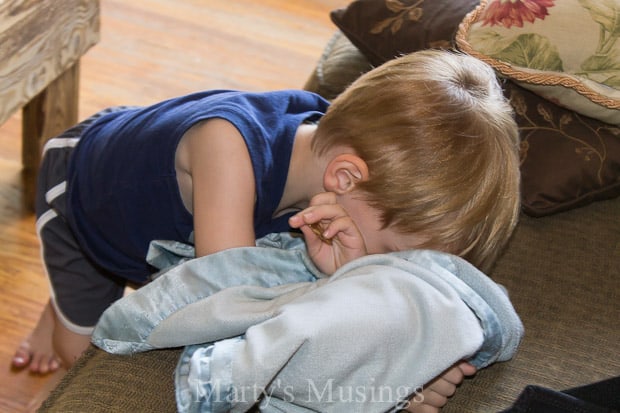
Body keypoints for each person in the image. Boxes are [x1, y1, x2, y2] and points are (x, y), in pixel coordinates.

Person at [13, 49, 519, 411]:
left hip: (168, 221)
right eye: (384, 252)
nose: (379, 268)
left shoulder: (335, 165)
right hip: (83, 194)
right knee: (77, 347)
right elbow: (228, 302)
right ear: (345, 178)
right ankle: (58, 313)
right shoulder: (226, 152)